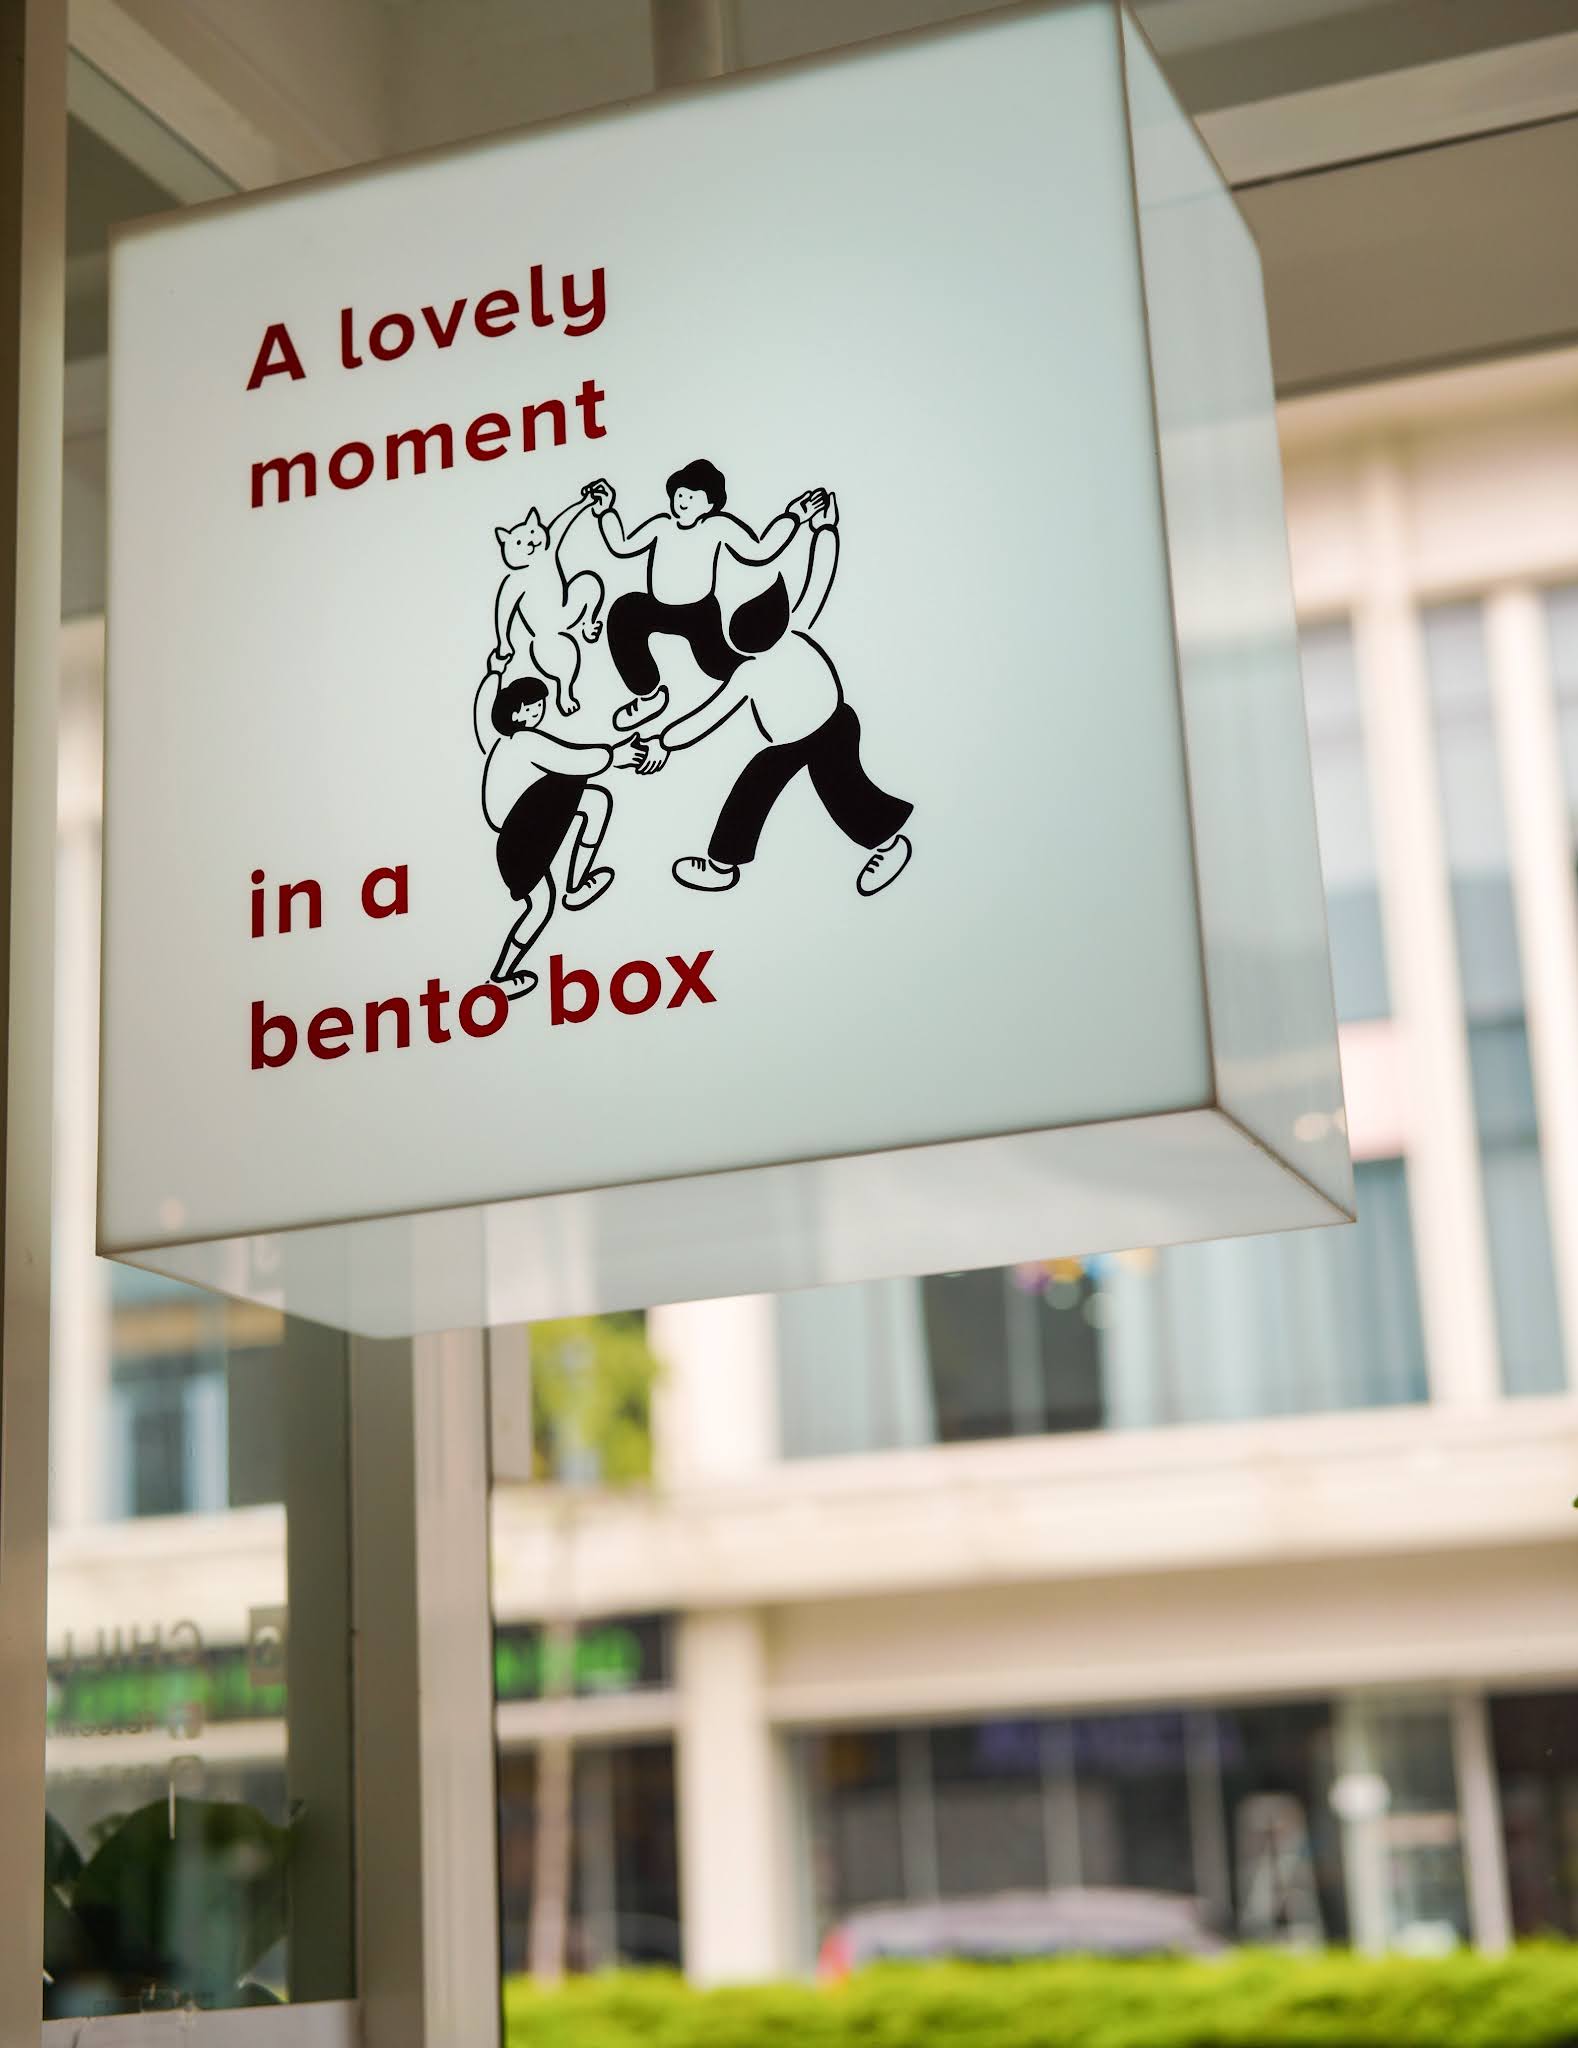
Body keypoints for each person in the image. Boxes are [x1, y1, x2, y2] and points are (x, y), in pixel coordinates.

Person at [635, 492, 913, 896]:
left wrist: (664, 742)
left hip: (828, 728)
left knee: (839, 791)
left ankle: (887, 846)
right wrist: (825, 530)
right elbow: (820, 576)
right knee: (757, 791)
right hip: (806, 736)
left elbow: (707, 718)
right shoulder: (795, 629)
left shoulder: (756, 665)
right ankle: (722, 864)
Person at [584, 461, 825, 732]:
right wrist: (606, 511)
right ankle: (648, 697)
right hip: (658, 607)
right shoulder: (661, 525)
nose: (683, 501)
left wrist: (794, 516)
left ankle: (770, 683)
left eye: (692, 496)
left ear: (710, 504)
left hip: (698, 613)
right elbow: (622, 546)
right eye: (680, 494)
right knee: (623, 613)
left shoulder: (718, 527)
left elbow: (760, 551)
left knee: (718, 666)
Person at [474, 669, 642, 997]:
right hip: (521, 837)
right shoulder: (523, 741)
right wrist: (616, 755)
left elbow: (572, 764)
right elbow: (572, 760)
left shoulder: (509, 743)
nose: (538, 711)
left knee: (593, 801)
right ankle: (500, 977)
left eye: (540, 705)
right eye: (531, 706)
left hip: (523, 832)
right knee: (540, 907)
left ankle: (576, 886)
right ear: (515, 713)